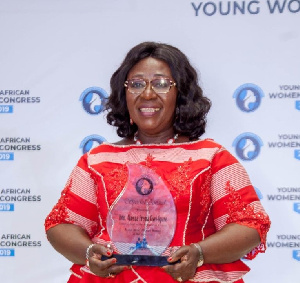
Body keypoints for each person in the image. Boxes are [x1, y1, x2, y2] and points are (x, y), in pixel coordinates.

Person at [45, 41, 271, 283]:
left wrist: (200, 253)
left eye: (162, 84)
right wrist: (88, 253)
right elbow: (62, 224)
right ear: (125, 92)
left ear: (181, 93)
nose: (148, 93)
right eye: (137, 84)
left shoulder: (211, 157)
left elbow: (249, 224)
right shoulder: (97, 160)